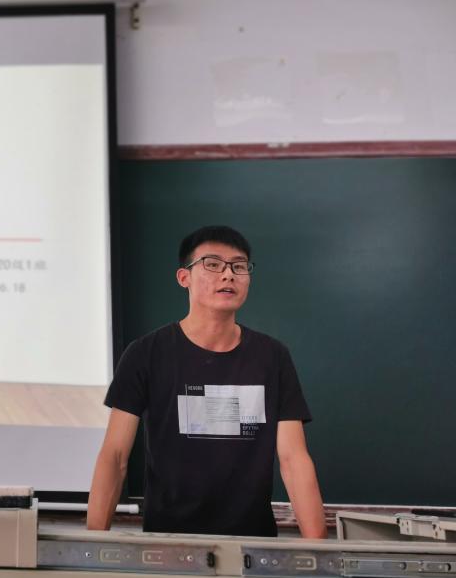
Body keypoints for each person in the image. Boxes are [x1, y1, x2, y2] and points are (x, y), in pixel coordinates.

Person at [87, 225, 327, 538]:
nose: (228, 275)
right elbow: (115, 456)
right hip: (167, 542)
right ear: (183, 277)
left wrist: (319, 550)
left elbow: (294, 459)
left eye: (239, 266)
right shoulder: (146, 353)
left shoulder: (272, 357)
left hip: (252, 543)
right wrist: (92, 543)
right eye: (212, 264)